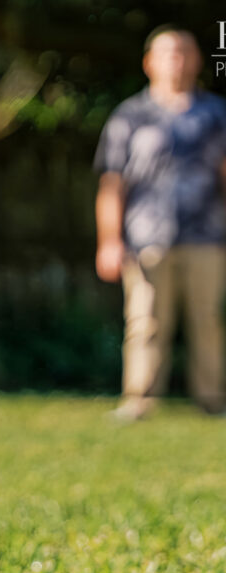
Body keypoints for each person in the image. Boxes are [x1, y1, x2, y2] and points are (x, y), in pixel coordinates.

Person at [94, 25, 226, 419]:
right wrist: (109, 240)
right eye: (168, 53)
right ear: (149, 62)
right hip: (146, 238)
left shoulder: (217, 114)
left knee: (210, 320)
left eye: (184, 52)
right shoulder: (130, 115)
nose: (177, 60)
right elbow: (112, 184)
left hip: (208, 236)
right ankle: (140, 399)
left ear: (198, 60)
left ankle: (214, 399)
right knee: (145, 322)